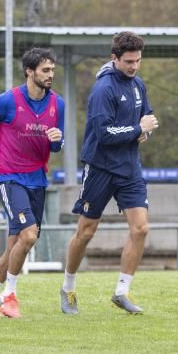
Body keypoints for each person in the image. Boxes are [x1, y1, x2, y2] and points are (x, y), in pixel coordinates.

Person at [61, 31, 158, 315]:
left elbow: (147, 120)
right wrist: (137, 130)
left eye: (138, 60)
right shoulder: (103, 90)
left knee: (140, 228)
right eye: (129, 61)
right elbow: (103, 133)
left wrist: (144, 133)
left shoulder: (138, 85)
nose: (134, 66)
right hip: (101, 167)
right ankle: (68, 287)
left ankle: (121, 292)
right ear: (114, 58)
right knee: (87, 230)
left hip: (129, 168)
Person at [0, 48, 65, 318]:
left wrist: (57, 139)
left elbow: (57, 146)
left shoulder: (57, 104)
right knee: (29, 234)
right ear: (29, 71)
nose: (50, 75)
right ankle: (10, 295)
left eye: (52, 71)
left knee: (17, 244)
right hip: (10, 178)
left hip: (38, 179)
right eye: (45, 70)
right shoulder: (7, 101)